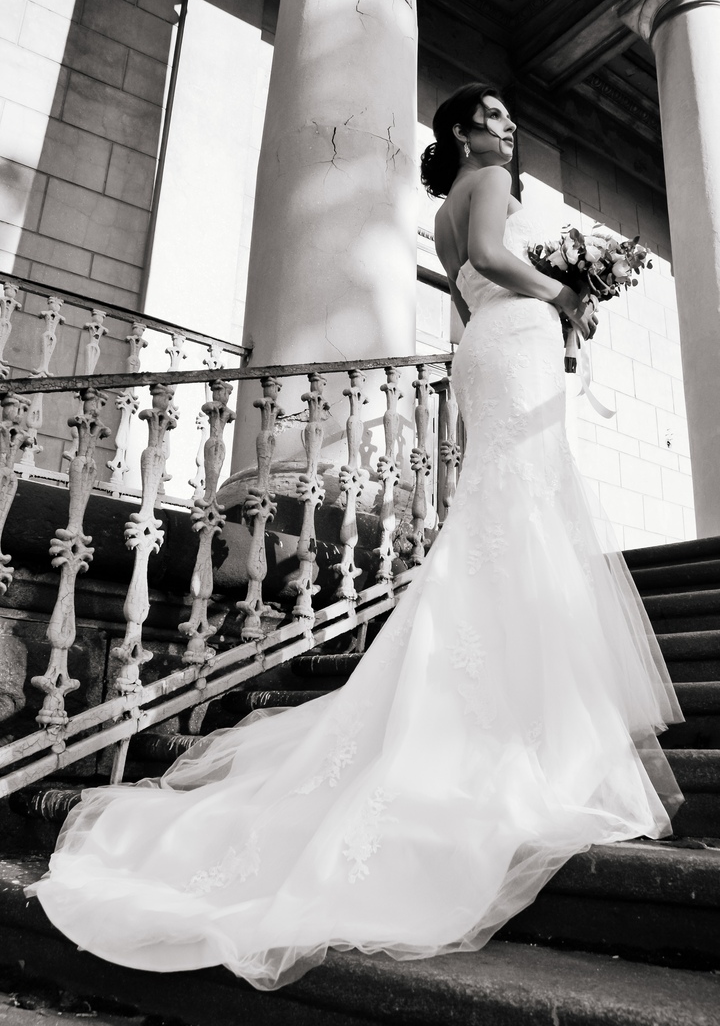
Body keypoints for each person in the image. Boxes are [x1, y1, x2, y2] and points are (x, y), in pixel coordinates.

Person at [28, 83, 684, 991]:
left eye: (507, 117)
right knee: (525, 505)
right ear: (464, 131)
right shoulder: (491, 181)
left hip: (487, 347)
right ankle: (534, 721)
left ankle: (496, 692)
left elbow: (468, 289)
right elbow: (495, 256)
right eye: (493, 116)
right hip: (516, 340)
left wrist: (536, 306)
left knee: (504, 509)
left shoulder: (442, 212)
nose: (508, 128)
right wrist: (566, 293)